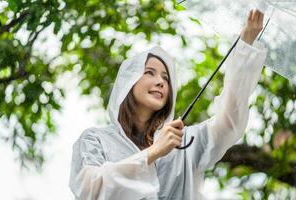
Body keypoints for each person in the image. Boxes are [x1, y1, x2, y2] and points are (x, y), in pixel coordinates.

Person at [69, 9, 267, 200]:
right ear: (127, 84)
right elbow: (90, 190)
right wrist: (153, 152)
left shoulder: (183, 143)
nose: (161, 81)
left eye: (166, 77)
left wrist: (245, 43)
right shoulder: (96, 139)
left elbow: (229, 121)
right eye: (149, 72)